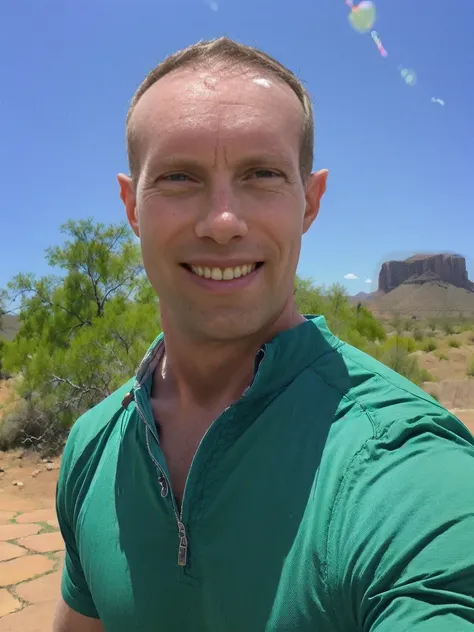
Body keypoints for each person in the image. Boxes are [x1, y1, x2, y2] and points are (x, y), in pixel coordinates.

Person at [53, 37, 474, 632]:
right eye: (178, 176)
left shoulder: (399, 463)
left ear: (310, 201)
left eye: (262, 174)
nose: (222, 222)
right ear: (131, 205)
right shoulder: (93, 445)